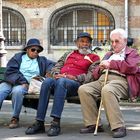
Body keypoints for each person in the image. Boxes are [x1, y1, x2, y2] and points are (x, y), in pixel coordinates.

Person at [25, 32, 100, 136]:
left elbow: (91, 76)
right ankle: (39, 122)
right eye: (82, 41)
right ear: (77, 43)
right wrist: (56, 74)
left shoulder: (94, 58)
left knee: (62, 81)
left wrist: (73, 77)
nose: (85, 44)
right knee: (47, 82)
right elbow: (57, 66)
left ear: (90, 44)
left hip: (76, 84)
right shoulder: (68, 54)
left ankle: (55, 123)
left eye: (87, 42)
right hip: (60, 80)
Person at [78, 28, 140, 138]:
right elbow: (95, 74)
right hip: (102, 79)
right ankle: (93, 123)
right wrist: (100, 68)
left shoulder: (132, 53)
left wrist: (111, 64)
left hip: (120, 80)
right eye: (112, 41)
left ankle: (118, 126)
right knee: (84, 89)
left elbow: (132, 68)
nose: (114, 44)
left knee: (107, 90)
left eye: (117, 41)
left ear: (125, 41)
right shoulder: (108, 54)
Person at [0, 38, 55, 129]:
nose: (35, 52)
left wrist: (49, 71)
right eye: (33, 50)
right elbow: (10, 71)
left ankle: (15, 117)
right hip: (11, 81)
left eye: (38, 51)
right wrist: (23, 81)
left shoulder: (42, 60)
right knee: (1, 91)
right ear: (27, 49)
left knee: (17, 91)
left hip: (25, 85)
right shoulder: (18, 58)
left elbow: (53, 65)